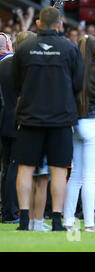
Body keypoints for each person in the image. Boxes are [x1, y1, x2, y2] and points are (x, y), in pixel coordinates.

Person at [12, 6, 84, 231]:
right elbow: (78, 85)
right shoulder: (70, 48)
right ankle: (55, 220)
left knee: (25, 167)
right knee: (58, 169)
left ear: (38, 24)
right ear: (60, 24)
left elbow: (16, 83)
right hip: (61, 118)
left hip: (30, 116)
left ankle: (24, 220)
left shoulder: (24, 48)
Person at [63, 35, 95, 232]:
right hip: (94, 123)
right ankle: (89, 224)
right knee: (90, 176)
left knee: (75, 175)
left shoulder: (73, 70)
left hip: (76, 123)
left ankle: (68, 221)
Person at [0, 31, 33, 224]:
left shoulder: (3, 65)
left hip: (5, 120)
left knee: (7, 168)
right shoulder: (22, 66)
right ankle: (12, 212)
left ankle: (7, 210)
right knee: (15, 167)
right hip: (19, 121)